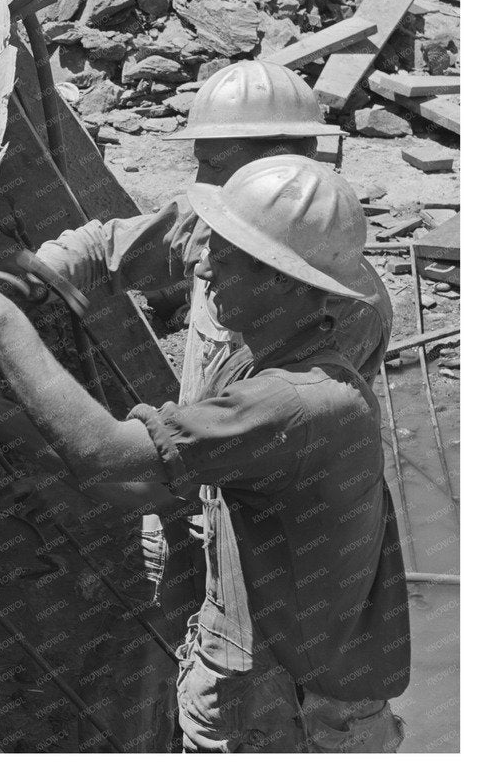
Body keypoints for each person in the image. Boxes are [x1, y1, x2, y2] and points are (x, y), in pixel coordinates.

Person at [0, 155, 410, 751]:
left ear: (282, 280)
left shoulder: (295, 402)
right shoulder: (272, 361)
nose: (203, 267)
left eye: (225, 256)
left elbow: (106, 456)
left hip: (296, 719)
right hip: (249, 681)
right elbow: (135, 486)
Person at [31, 60, 392, 748]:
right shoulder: (220, 227)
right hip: (211, 508)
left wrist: (1, 318)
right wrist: (40, 274)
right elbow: (111, 245)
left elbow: (119, 456)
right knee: (203, 676)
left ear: (282, 159)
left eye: (215, 165)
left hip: (269, 551)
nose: (204, 263)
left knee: (268, 710)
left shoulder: (338, 310)